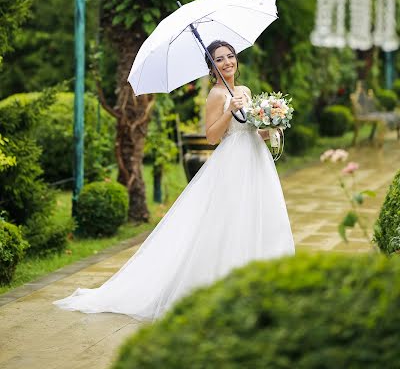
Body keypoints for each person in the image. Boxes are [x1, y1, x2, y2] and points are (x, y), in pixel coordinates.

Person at [53, 40, 295, 323]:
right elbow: (213, 137)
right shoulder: (217, 95)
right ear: (211, 66)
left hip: (256, 162)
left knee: (258, 218)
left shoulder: (244, 90)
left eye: (231, 56)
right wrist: (230, 110)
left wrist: (272, 127)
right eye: (220, 59)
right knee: (230, 221)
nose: (227, 62)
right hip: (232, 165)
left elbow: (250, 132)